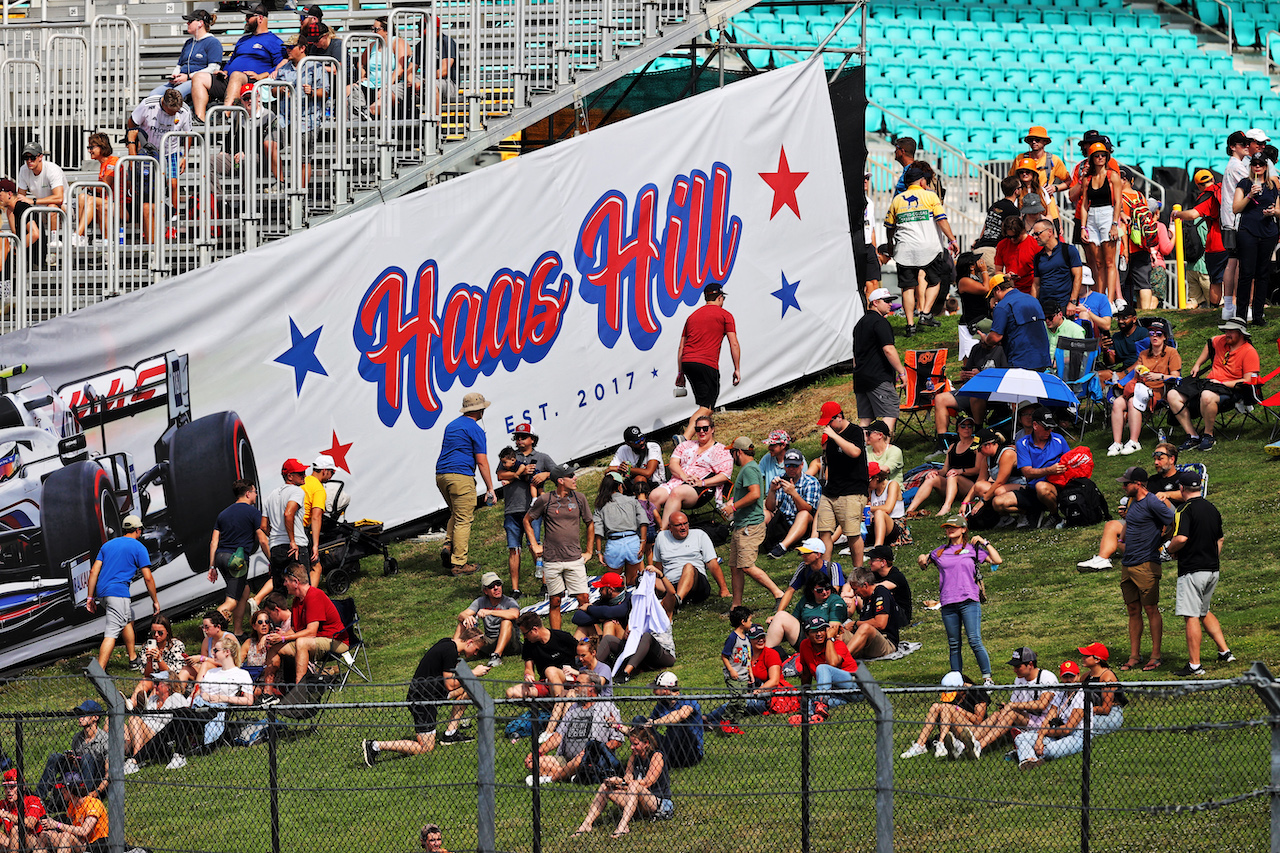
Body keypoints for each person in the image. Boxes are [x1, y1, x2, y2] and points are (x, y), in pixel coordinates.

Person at [362, 626, 488, 765]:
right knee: (426, 747)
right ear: (469, 642)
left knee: (469, 688)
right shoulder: (450, 651)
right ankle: (374, 746)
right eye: (476, 649)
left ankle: (450, 734)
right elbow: (450, 685)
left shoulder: (448, 644)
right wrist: (473, 673)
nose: (476, 654)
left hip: (433, 693)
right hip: (422, 700)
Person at [1016, 643, 1124, 768]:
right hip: (1072, 721)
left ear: (1097, 659)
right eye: (1065, 677)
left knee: (1088, 725)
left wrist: (1086, 709)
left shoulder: (1107, 676)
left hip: (1109, 713)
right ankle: (1028, 757)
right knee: (1021, 738)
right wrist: (1041, 735)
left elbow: (1105, 709)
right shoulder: (1084, 677)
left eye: (1086, 655)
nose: (1083, 657)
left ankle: (1026, 751)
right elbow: (1052, 715)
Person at [919, 516, 998, 686]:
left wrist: (985, 542)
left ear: (963, 529)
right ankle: (957, 681)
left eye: (954, 527)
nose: (950, 530)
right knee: (954, 644)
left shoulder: (973, 549)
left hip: (969, 601)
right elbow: (924, 563)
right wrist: (921, 559)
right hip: (948, 603)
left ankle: (987, 679)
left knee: (974, 640)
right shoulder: (939, 552)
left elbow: (997, 560)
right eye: (947, 527)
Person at [1169, 469, 1234, 677]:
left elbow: (1181, 538)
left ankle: (1195, 665)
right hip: (1212, 569)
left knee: (1192, 616)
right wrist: (1212, 558)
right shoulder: (1212, 508)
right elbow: (1220, 539)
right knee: (1204, 611)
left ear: (1181, 488)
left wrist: (1168, 550)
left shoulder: (1183, 510)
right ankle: (1225, 652)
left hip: (1192, 570)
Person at [883, 163, 958, 335]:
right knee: (934, 281)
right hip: (928, 249)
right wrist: (952, 239)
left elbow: (889, 226)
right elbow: (941, 220)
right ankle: (925, 313)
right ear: (922, 182)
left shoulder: (897, 199)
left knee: (907, 288)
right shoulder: (930, 197)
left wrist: (890, 243)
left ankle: (910, 325)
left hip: (904, 249)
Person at [1113, 466, 1175, 672]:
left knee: (1150, 609)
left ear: (1138, 483)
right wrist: (1121, 541)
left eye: (1126, 483)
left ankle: (1156, 655)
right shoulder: (1132, 502)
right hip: (1128, 564)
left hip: (1147, 563)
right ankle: (1134, 656)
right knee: (1132, 610)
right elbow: (1129, 525)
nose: (1123, 486)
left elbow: (1172, 521)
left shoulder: (1152, 502)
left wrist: (1161, 540)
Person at [1166, 318, 1260, 453]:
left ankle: (1208, 435)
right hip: (1209, 383)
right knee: (1173, 394)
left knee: (1206, 396)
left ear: (1241, 333)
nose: (1227, 334)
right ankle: (1192, 435)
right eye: (1226, 330)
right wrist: (1198, 364)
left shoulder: (1249, 352)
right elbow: (1211, 341)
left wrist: (1223, 383)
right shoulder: (1222, 341)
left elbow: (1247, 381)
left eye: (1231, 331)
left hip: (1231, 388)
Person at [262, 563, 350, 694]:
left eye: (286, 581)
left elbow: (311, 632)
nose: (284, 584)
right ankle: (267, 692)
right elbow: (295, 629)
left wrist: (285, 637)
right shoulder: (297, 601)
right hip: (315, 642)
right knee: (274, 646)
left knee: (302, 642)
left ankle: (300, 692)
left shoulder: (314, 596)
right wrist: (280, 637)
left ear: (295, 582)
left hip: (336, 641)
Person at [435, 391, 497, 576]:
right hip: (461, 477)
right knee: (464, 519)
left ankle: (448, 545)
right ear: (480, 411)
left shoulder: (451, 426)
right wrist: (490, 488)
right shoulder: (476, 430)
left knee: (456, 513)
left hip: (441, 475)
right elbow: (482, 461)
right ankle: (459, 564)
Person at [525, 463, 593, 631]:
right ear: (561, 481)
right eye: (571, 476)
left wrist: (590, 551)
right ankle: (556, 638)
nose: (575, 478)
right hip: (552, 560)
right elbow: (527, 520)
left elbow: (590, 523)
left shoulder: (580, 498)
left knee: (584, 598)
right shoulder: (545, 500)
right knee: (555, 601)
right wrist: (534, 544)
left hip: (574, 558)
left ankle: (591, 637)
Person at [86, 515, 158, 671]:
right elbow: (148, 577)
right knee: (111, 632)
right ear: (138, 530)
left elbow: (93, 572)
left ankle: (133, 659)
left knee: (128, 618)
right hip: (118, 593)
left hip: (103, 593)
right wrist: (155, 600)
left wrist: (90, 597)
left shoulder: (107, 545)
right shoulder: (139, 547)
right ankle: (98, 672)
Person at [573, 725, 673, 839]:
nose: (631, 747)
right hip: (636, 801)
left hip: (658, 803)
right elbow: (627, 778)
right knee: (604, 787)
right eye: (631, 743)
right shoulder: (633, 757)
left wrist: (625, 784)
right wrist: (617, 782)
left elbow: (648, 782)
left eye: (635, 744)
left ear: (646, 743)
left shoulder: (656, 756)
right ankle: (587, 824)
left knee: (634, 785)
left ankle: (623, 826)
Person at [190, 4, 285, 121]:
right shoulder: (243, 39)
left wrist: (261, 76)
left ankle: (225, 114)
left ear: (260, 18)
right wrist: (224, 71)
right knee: (199, 77)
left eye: (249, 16)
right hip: (229, 79)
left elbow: (282, 64)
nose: (246, 20)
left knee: (236, 75)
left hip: (251, 81)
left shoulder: (274, 41)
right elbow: (232, 60)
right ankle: (200, 119)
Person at [525, 671, 623, 784]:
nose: (575, 687)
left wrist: (595, 751)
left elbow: (618, 740)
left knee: (579, 759)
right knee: (532, 762)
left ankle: (551, 778)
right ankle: (572, 776)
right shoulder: (573, 708)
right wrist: (538, 752)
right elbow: (558, 736)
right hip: (566, 759)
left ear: (591, 686)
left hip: (591, 759)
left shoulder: (607, 707)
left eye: (579, 683)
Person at [720, 436, 784, 608]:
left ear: (738, 452)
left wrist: (733, 507)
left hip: (749, 526)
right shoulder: (750, 468)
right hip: (742, 525)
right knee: (735, 567)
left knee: (746, 566)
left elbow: (755, 494)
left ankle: (778, 593)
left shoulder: (748, 469)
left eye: (732, 452)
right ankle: (736, 605)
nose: (731, 456)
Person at [674, 283, 740, 439]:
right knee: (706, 408)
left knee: (703, 406)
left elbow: (681, 347)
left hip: (687, 362)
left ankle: (700, 441)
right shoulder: (725, 315)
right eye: (722, 298)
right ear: (719, 297)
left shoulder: (692, 317)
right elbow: (734, 343)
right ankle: (685, 440)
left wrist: (680, 372)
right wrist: (737, 368)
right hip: (706, 363)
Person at [1107, 318, 1180, 457]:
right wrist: (1138, 375)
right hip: (1140, 388)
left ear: (1164, 337)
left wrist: (1159, 376)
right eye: (1151, 333)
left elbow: (1176, 377)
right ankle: (1117, 443)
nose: (1154, 336)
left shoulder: (1172, 353)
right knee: (1117, 403)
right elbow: (1136, 376)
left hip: (1159, 392)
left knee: (1132, 401)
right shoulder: (1143, 354)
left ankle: (1134, 442)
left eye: (1159, 333)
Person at [498, 422, 555, 597]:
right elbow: (500, 475)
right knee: (513, 548)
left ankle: (546, 584)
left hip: (534, 510)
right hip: (512, 509)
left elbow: (559, 473)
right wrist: (519, 474)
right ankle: (515, 590)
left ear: (532, 439)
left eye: (523, 437)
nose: (519, 440)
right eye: (517, 437)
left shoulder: (543, 457)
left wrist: (546, 474)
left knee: (535, 547)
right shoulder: (509, 455)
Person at [649, 414, 733, 531]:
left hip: (700, 488)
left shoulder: (721, 450)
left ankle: (663, 533)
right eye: (698, 429)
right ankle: (651, 531)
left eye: (705, 428)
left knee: (677, 492)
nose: (701, 432)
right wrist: (683, 476)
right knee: (654, 495)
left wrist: (702, 482)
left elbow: (725, 475)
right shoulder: (685, 445)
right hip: (678, 480)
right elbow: (673, 464)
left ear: (712, 429)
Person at [208, 479, 270, 635]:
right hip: (237, 560)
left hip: (221, 557)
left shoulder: (223, 514)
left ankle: (238, 631)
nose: (256, 495)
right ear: (248, 493)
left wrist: (212, 566)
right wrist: (273, 561)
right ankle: (209, 626)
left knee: (244, 590)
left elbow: (214, 542)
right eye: (254, 492)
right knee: (231, 601)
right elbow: (262, 539)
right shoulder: (253, 513)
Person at [971, 647, 1059, 757]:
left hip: (1045, 722)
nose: (1014, 670)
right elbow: (1014, 703)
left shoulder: (1046, 677)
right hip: (1027, 719)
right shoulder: (1019, 679)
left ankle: (979, 746)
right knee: (996, 715)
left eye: (1018, 666)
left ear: (1030, 664)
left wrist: (1012, 706)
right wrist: (1006, 707)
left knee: (1010, 713)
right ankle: (967, 743)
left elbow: (1042, 704)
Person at [993, 408, 1069, 528]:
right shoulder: (1022, 443)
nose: (1049, 431)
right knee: (997, 502)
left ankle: (1054, 515)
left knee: (1041, 487)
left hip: (1054, 487)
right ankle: (1032, 512)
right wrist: (1050, 470)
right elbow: (1027, 472)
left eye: (1051, 428)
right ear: (1035, 425)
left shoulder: (1059, 439)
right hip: (1031, 489)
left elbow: (1069, 463)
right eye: (1046, 428)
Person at [766, 543, 849, 652]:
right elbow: (790, 590)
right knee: (781, 616)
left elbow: (835, 590)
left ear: (818, 554)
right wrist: (777, 615)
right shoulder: (804, 571)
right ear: (812, 590)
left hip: (826, 632)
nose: (803, 555)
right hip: (807, 635)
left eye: (806, 553)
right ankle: (764, 656)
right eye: (820, 590)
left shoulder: (832, 568)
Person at [932, 321, 1008, 440]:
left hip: (992, 393)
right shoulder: (976, 348)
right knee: (940, 399)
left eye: (982, 340)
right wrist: (965, 375)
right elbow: (968, 370)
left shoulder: (1002, 351)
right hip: (972, 389)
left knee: (976, 395)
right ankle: (943, 442)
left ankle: (978, 433)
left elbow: (1004, 378)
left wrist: (981, 376)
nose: (981, 343)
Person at [815, 401, 868, 565]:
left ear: (839, 417)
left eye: (829, 421)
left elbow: (855, 452)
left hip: (852, 491)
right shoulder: (831, 437)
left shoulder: (855, 431)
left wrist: (834, 436)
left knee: (852, 534)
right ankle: (825, 569)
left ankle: (857, 570)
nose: (827, 426)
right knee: (823, 531)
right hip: (831, 491)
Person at [1069, 142, 1124, 302]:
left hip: (1108, 215)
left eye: (1103, 155)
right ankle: (1100, 298)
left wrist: (1115, 224)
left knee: (1109, 262)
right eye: (1097, 155)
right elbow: (1084, 204)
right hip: (1092, 216)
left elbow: (1118, 202)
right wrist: (1083, 227)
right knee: (1098, 262)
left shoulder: (1112, 175)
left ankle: (1110, 300)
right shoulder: (1087, 179)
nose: (1100, 158)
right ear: (1092, 158)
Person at [1230, 152, 1280, 326]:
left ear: (1266, 167)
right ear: (1250, 166)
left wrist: (1273, 212)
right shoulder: (1244, 184)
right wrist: (1249, 195)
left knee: (1262, 274)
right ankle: (1241, 316)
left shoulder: (1273, 186)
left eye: (1261, 164)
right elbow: (1235, 208)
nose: (1257, 166)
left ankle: (1258, 315)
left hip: (1268, 232)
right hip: (1248, 232)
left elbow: (1279, 209)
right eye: (1254, 164)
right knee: (1246, 273)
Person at [648, 511, 729, 615]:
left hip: (697, 583)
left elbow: (712, 563)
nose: (683, 527)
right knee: (648, 577)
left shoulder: (699, 535)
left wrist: (724, 589)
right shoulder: (662, 537)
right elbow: (659, 565)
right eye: (679, 525)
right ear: (670, 527)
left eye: (685, 523)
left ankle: (676, 601)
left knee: (688, 567)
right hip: (671, 584)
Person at [253, 458, 308, 613]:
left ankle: (276, 623)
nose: (304, 475)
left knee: (279, 590)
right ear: (289, 476)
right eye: (300, 473)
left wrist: (276, 537)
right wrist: (292, 541)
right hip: (295, 546)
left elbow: (264, 525)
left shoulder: (271, 495)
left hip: (276, 547)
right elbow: (288, 514)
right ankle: (305, 622)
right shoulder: (297, 491)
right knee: (303, 586)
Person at [900, 672, 990, 760]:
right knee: (936, 706)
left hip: (973, 731)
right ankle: (920, 745)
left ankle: (942, 743)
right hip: (954, 729)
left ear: (961, 687)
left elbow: (978, 720)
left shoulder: (977, 692)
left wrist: (957, 709)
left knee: (946, 707)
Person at [852, 288, 907, 431]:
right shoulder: (880, 322)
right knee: (890, 412)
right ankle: (882, 448)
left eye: (891, 301)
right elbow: (888, 349)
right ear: (875, 302)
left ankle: (861, 450)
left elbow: (855, 356)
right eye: (887, 301)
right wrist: (902, 372)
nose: (890, 304)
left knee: (866, 419)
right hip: (878, 378)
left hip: (860, 378)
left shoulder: (860, 324)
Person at [1173, 169, 1226, 309]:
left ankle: (1212, 312)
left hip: (1208, 252)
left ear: (1198, 186)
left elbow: (1192, 214)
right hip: (1230, 242)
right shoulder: (1225, 190)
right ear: (1213, 179)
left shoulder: (1206, 198)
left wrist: (1177, 213)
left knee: (1210, 287)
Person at [907, 417, 980, 518]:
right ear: (958, 429)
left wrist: (960, 471)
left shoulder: (976, 446)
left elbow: (978, 469)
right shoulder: (952, 447)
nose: (966, 428)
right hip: (952, 484)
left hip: (969, 486)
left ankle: (946, 507)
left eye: (969, 426)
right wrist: (935, 473)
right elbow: (945, 470)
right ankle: (910, 510)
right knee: (932, 478)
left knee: (953, 475)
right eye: (963, 426)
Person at [34, 701, 107, 801]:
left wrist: (97, 791)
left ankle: (86, 797)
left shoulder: (105, 739)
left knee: (87, 758)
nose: (80, 718)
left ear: (95, 717)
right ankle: (38, 798)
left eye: (84, 715)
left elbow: (109, 773)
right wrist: (72, 760)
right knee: (56, 757)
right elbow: (77, 765)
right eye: (79, 715)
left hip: (97, 777)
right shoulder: (77, 738)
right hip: (80, 772)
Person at [794, 615, 858, 724]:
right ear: (806, 634)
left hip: (855, 688)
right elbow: (806, 674)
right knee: (810, 701)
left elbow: (832, 663)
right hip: (837, 695)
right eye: (814, 631)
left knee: (823, 668)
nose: (819, 634)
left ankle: (821, 702)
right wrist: (804, 696)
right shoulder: (804, 646)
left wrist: (830, 638)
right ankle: (810, 717)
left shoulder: (838, 644)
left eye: (822, 630)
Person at [149, 9, 223, 100]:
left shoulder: (213, 42)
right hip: (182, 80)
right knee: (153, 95)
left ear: (200, 23)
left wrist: (188, 77)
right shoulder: (189, 43)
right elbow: (179, 65)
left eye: (190, 21)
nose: (187, 23)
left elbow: (213, 68)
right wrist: (175, 76)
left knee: (175, 95)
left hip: (197, 81)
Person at [763, 449, 822, 559]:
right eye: (788, 465)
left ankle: (782, 547)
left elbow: (808, 509)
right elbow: (770, 508)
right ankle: (756, 543)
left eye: (795, 466)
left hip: (804, 525)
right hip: (783, 521)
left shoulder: (811, 482)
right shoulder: (780, 479)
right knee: (764, 513)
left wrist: (794, 494)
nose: (791, 469)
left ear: (802, 465)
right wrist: (772, 491)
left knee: (803, 514)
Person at [985, 273, 1050, 371]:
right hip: (1042, 358)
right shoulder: (1033, 300)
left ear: (997, 289)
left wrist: (986, 339)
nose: (994, 298)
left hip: (1020, 360)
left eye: (993, 294)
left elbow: (995, 337)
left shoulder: (1002, 306)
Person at [591, 472, 647, 586]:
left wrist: (598, 552)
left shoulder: (601, 505)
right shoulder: (632, 501)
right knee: (632, 580)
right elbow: (643, 521)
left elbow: (598, 531)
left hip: (614, 544)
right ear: (620, 486)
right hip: (632, 542)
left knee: (613, 583)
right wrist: (643, 541)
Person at [507, 612, 577, 701]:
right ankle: (552, 702)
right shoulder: (529, 644)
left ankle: (559, 708)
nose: (524, 637)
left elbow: (584, 655)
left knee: (550, 670)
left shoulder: (563, 637)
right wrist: (528, 676)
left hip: (567, 679)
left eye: (525, 634)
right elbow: (528, 668)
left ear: (535, 630)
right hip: (546, 682)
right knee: (511, 692)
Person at [1011, 126, 1073, 227]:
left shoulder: (1054, 160)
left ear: (1045, 142)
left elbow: (1069, 181)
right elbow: (1011, 181)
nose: (1034, 142)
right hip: (1024, 208)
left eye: (1037, 139)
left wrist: (1055, 188)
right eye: (1031, 140)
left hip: (1048, 209)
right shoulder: (1020, 158)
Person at [638, 671, 703, 768]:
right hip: (671, 747)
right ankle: (644, 760)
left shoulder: (688, 700)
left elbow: (682, 715)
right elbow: (648, 724)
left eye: (656, 689)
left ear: (665, 689)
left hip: (690, 752)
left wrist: (655, 722)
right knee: (639, 720)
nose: (653, 692)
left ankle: (661, 764)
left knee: (677, 727)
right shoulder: (661, 704)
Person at [458, 572, 520, 668]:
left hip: (511, 643)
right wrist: (467, 618)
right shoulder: (480, 601)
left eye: (498, 584)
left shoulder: (509, 601)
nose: (496, 588)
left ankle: (496, 655)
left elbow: (515, 614)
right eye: (491, 586)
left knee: (506, 621)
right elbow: (462, 614)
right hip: (489, 640)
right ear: (485, 591)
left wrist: (490, 612)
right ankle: (454, 653)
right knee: (463, 622)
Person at [960, 428, 1024, 522]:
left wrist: (982, 502)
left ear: (989, 445)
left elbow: (1000, 482)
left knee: (999, 491)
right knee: (979, 487)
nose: (978, 452)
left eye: (979, 448)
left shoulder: (1007, 454)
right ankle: (1004, 517)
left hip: (1022, 485)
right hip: (1005, 486)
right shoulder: (987, 459)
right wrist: (965, 502)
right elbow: (979, 482)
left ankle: (1026, 513)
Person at [127, 614, 188, 706]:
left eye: (160, 633)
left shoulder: (176, 645)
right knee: (145, 680)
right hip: (154, 680)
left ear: (167, 632)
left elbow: (173, 675)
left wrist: (160, 660)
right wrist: (149, 660)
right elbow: (147, 674)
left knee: (159, 684)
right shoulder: (147, 647)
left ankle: (147, 706)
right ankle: (131, 703)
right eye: (153, 633)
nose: (156, 635)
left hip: (169, 682)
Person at [72, 133, 120, 248]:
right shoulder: (103, 164)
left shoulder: (113, 161)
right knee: (82, 197)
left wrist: (90, 186)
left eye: (91, 147)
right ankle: (81, 236)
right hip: (108, 201)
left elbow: (105, 185)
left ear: (102, 147)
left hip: (120, 203)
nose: (89, 150)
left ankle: (76, 234)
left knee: (89, 200)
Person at [842, 569, 900, 660]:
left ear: (865, 585)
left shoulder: (881, 592)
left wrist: (855, 624)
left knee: (865, 628)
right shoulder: (866, 598)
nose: (854, 593)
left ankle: (842, 659)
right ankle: (826, 659)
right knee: (837, 630)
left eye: (855, 589)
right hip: (866, 643)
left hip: (886, 642)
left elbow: (880, 623)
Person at [41, 772, 105, 853]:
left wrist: (57, 825)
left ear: (69, 791)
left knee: (66, 836)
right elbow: (71, 828)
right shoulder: (72, 805)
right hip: (79, 842)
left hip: (94, 846)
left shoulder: (93, 803)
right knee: (45, 835)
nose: (61, 791)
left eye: (63, 789)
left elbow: (84, 831)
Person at [16, 143, 67, 240]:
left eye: (32, 157)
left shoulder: (52, 169)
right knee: (15, 208)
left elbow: (59, 198)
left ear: (40, 157)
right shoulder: (23, 170)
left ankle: (54, 241)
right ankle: (17, 240)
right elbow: (20, 197)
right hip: (41, 209)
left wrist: (33, 201)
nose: (29, 161)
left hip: (64, 207)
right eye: (26, 158)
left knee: (52, 207)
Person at [1029, 217, 1083, 306]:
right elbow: (1036, 284)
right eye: (1034, 234)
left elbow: (1078, 276)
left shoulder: (1068, 250)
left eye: (1037, 234)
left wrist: (1073, 301)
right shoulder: (1038, 257)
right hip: (1044, 305)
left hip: (1064, 304)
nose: (1035, 237)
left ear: (1050, 232)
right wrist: (1033, 305)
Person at [974, 176, 1022, 273]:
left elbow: (985, 227)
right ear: (1016, 191)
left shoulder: (995, 205)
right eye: (1021, 187)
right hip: (993, 252)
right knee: (997, 285)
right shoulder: (1013, 210)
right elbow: (1013, 232)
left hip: (979, 250)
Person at [301, 454, 336, 585]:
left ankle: (256, 600)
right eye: (331, 472)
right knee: (316, 567)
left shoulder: (304, 481)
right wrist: (315, 545)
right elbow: (316, 516)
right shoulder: (318, 489)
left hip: (288, 529)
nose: (332, 476)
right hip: (301, 530)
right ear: (324, 470)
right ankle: (311, 600)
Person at [0, 178, 44, 276]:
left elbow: (34, 234)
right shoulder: (16, 209)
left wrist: (16, 248)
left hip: (31, 261)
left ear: (10, 194)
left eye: (0, 195)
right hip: (27, 259)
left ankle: (5, 290)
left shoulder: (21, 208)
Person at [1, 767, 46, 851]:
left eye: (12, 787)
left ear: (23, 787)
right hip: (11, 842)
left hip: (33, 842)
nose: (8, 791)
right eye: (6, 787)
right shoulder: (3, 804)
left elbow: (30, 823)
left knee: (15, 830)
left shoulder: (32, 800)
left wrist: (7, 815)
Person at [993, 216, 1039, 295]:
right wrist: (1005, 276)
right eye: (1009, 236)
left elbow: (1040, 272)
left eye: (1015, 236)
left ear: (1023, 231)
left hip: (1030, 289)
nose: (1012, 240)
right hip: (1010, 290)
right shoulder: (1002, 245)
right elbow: (998, 271)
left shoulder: (1034, 244)